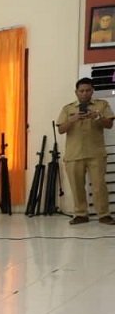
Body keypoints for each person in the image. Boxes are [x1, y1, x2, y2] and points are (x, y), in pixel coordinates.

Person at [56, 77, 115, 225]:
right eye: (81, 91)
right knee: (76, 186)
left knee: (99, 186)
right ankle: (81, 214)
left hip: (96, 153)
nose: (84, 93)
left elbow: (109, 125)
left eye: (88, 90)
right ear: (76, 92)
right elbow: (61, 130)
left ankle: (104, 214)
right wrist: (73, 119)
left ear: (92, 91)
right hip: (74, 154)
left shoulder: (102, 105)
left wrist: (97, 117)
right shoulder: (68, 108)